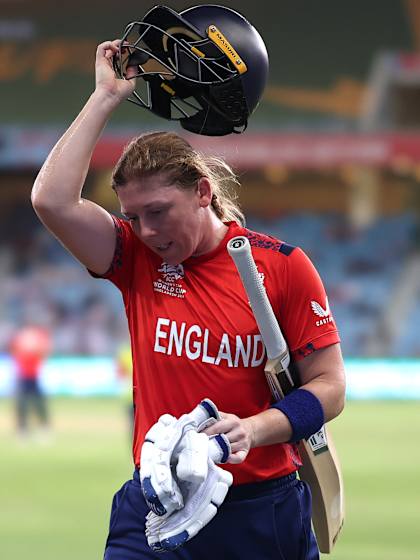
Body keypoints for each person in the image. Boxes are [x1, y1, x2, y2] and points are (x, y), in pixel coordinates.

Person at [31, 12, 346, 560]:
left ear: (202, 192)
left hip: (259, 510)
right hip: (155, 501)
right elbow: (52, 201)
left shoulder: (283, 267)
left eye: (158, 212)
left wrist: (253, 429)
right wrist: (105, 97)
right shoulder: (133, 258)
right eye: (132, 216)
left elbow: (330, 387)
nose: (146, 231)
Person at [10, 324, 52, 439]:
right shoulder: (20, 338)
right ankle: (22, 429)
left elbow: (44, 352)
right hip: (23, 375)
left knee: (39, 403)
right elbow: (14, 352)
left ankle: (44, 427)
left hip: (34, 376)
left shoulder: (39, 338)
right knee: (22, 404)